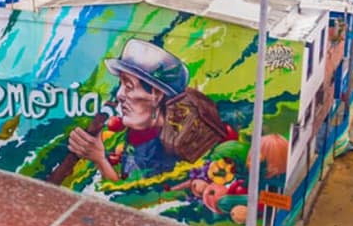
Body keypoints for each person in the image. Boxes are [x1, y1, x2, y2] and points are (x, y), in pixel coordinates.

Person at [67, 39, 233, 182]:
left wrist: (99, 159)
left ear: (156, 94)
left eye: (129, 86)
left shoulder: (166, 149)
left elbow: (132, 197)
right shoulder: (134, 133)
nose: (119, 95)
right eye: (121, 84)